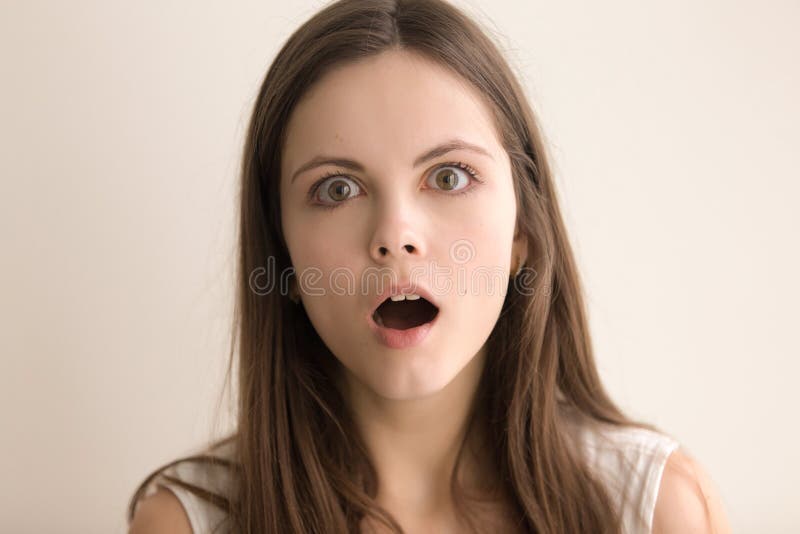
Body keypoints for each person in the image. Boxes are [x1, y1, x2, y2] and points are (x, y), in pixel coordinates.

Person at [127, 0, 731, 532]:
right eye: (336, 189)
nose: (395, 236)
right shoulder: (184, 525)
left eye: (449, 177)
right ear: (281, 256)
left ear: (523, 230)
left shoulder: (658, 511)